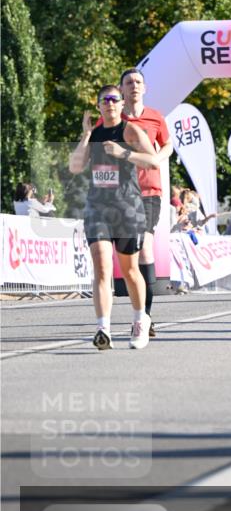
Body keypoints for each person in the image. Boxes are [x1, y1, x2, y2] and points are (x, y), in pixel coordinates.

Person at [69, 85, 159, 350]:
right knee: (101, 265)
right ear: (98, 106)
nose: (109, 103)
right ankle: (103, 329)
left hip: (127, 208)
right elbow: (75, 167)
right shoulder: (95, 134)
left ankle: (140, 320)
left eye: (114, 99)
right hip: (98, 207)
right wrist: (86, 136)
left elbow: (153, 161)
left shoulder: (130, 130)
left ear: (121, 104)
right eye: (104, 100)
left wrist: (123, 153)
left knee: (130, 270)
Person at [118, 69, 173, 338]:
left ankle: (145, 317)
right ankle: (140, 312)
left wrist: (157, 158)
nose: (134, 86)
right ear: (121, 89)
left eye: (138, 82)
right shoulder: (113, 119)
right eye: (129, 82)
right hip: (121, 194)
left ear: (145, 88)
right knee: (129, 254)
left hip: (150, 191)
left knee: (145, 250)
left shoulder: (155, 117)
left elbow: (168, 144)